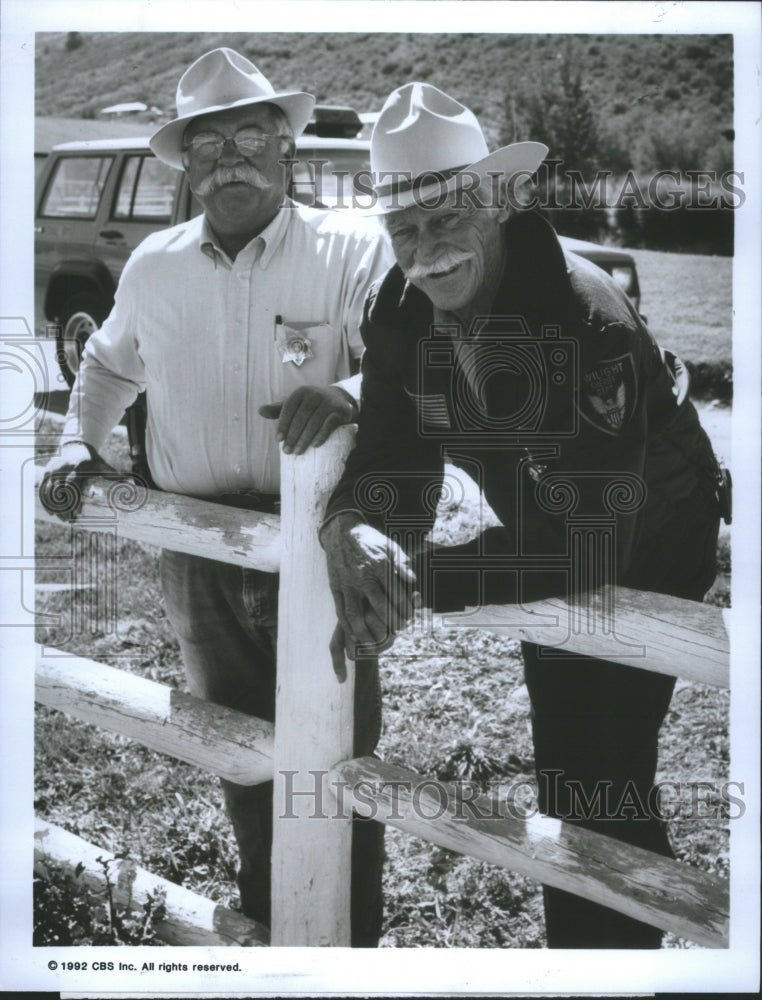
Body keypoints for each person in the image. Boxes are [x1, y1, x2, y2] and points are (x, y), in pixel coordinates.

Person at [320, 82, 724, 948]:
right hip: (544, 525)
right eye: (404, 229)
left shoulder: (586, 321)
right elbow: (393, 455)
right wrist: (352, 526)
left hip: (648, 535)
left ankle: (618, 950)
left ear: (499, 202)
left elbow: (588, 548)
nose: (425, 253)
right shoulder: (397, 312)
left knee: (603, 763)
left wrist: (416, 581)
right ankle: (589, 942)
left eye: (447, 218)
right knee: (569, 762)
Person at [39, 48, 392, 946]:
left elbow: (408, 360)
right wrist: (80, 437)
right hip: (195, 547)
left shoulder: (352, 246)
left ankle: (349, 943)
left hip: (320, 547)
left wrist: (351, 392)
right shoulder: (155, 265)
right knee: (241, 752)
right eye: (210, 144)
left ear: (286, 149)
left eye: (248, 137)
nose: (229, 157)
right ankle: (269, 929)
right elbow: (108, 364)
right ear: (187, 165)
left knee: (337, 757)